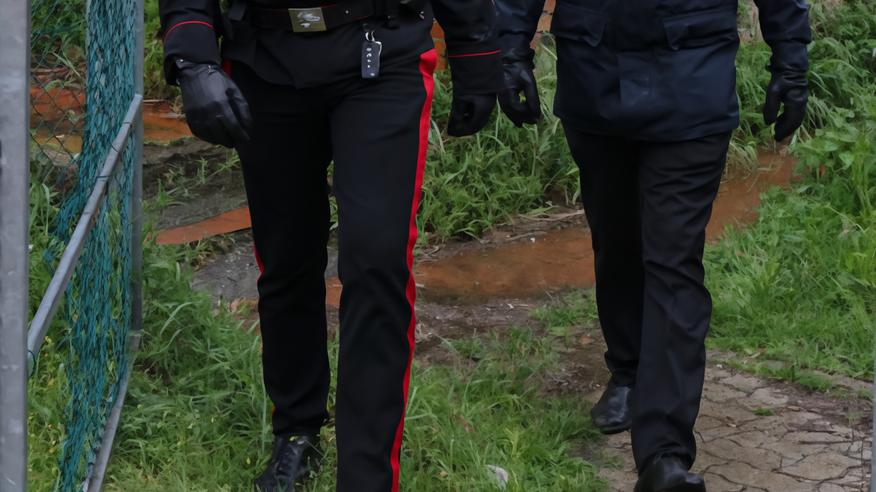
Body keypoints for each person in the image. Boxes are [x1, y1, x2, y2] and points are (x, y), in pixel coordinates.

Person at [157, 1, 501, 490]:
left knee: (377, 263)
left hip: (381, 52)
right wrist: (192, 57)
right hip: (265, 56)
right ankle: (296, 432)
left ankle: (367, 473)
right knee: (287, 258)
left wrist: (477, 51)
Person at [494, 0, 810, 490]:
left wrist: (791, 58)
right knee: (617, 241)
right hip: (595, 75)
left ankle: (664, 452)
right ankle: (628, 371)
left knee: (673, 261)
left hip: (692, 73)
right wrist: (510, 51)